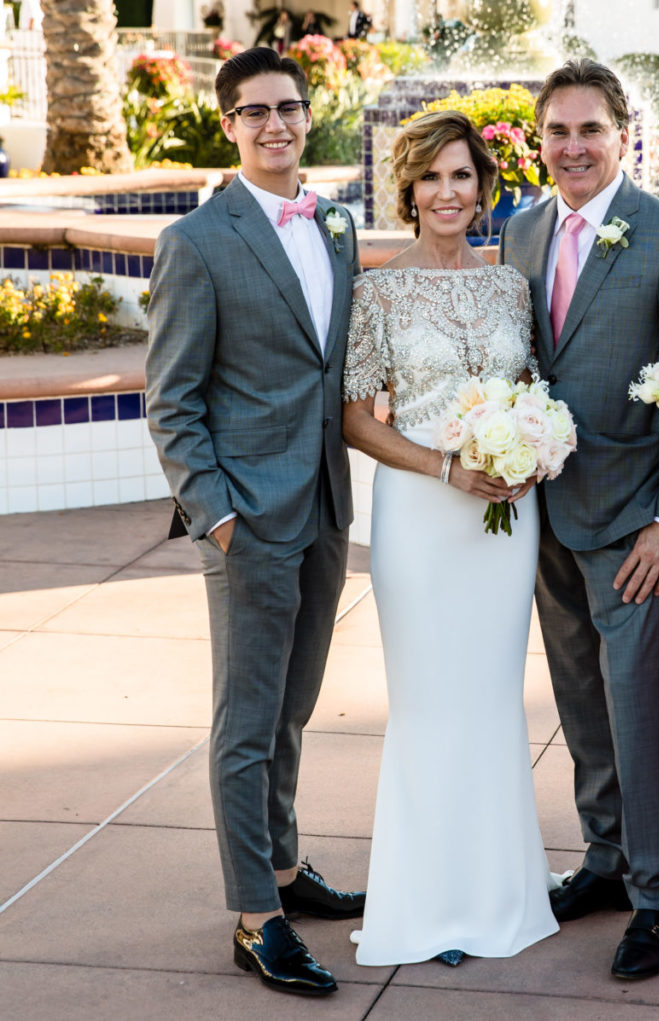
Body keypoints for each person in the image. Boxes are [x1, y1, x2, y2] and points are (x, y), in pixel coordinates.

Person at [145, 46, 365, 998]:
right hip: (247, 517)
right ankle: (254, 915)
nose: (276, 124)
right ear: (228, 123)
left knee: (295, 706)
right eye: (256, 112)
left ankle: (282, 864)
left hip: (322, 504)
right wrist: (217, 516)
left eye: (290, 107)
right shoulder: (197, 241)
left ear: (307, 114)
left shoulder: (339, 225)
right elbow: (171, 401)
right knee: (246, 722)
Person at [499, 59, 659, 981]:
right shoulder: (519, 230)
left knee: (634, 708)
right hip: (540, 511)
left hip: (633, 522)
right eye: (557, 131)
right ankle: (602, 858)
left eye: (590, 130)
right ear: (539, 140)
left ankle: (658, 894)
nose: (573, 147)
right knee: (579, 698)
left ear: (624, 136)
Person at [342, 110, 559, 967]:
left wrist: (536, 449)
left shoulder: (511, 285)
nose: (446, 192)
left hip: (506, 522)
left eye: (461, 176)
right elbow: (358, 419)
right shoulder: (378, 291)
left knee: (492, 698)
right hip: (423, 519)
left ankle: (500, 893)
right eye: (431, 177)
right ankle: (427, 902)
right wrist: (446, 467)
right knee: (430, 703)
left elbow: (536, 388)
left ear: (482, 190)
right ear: (410, 190)